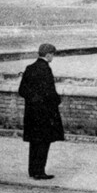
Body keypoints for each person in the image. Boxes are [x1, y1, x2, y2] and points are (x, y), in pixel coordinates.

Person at [18, 43, 65, 180]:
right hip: (45, 114)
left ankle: (32, 170)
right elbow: (50, 93)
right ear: (48, 54)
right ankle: (40, 171)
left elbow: (22, 91)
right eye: (53, 54)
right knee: (44, 142)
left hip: (32, 113)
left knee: (34, 142)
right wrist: (57, 100)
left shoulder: (30, 68)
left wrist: (33, 99)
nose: (53, 57)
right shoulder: (46, 69)